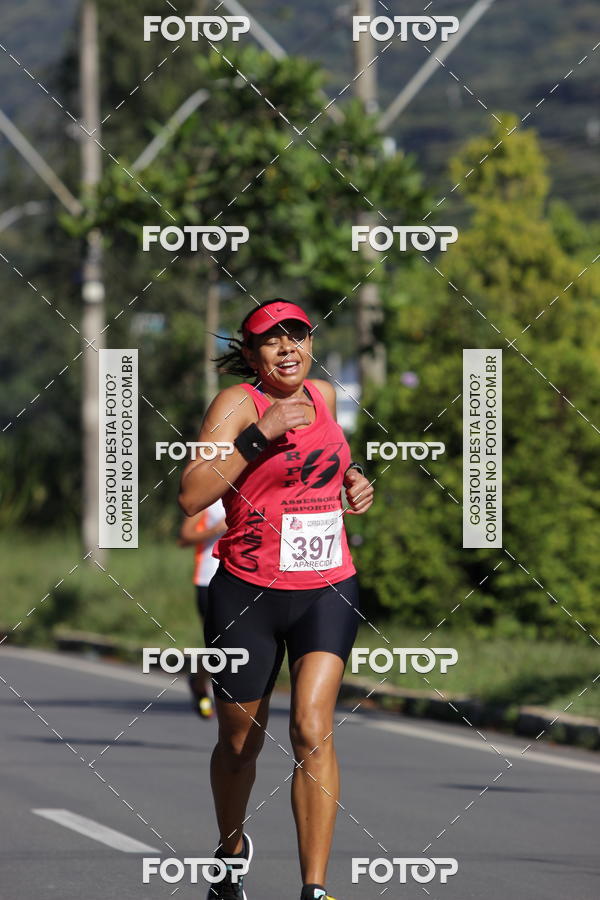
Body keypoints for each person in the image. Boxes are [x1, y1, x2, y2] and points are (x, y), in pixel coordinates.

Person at [178, 298, 374, 900]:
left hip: (326, 585)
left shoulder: (322, 395)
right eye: (272, 339)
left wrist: (353, 481)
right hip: (247, 595)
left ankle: (314, 888)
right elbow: (191, 495)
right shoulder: (238, 405)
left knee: (313, 728)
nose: (288, 347)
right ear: (251, 352)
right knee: (240, 743)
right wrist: (260, 435)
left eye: (298, 335)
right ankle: (231, 851)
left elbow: (325, 464)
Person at [178, 499, 227, 718]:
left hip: (245, 578)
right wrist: (217, 529)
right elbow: (185, 537)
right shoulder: (210, 496)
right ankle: (200, 681)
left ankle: (202, 683)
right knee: (217, 643)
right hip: (209, 579)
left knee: (232, 642)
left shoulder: (251, 488)